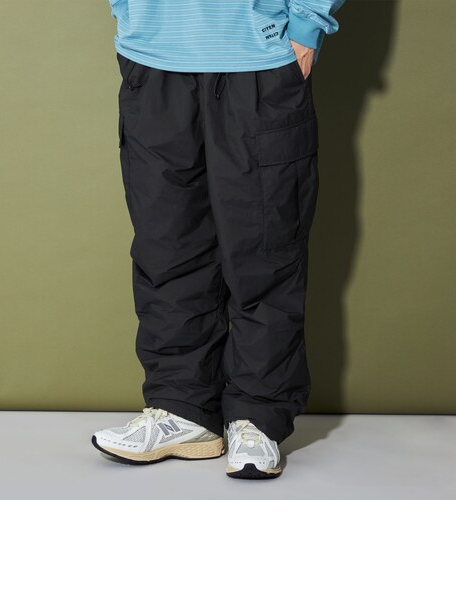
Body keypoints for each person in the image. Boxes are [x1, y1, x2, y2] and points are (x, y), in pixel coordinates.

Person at [92, 0, 346, 479]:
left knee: (264, 251)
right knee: (166, 247)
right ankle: (182, 409)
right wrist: (128, 13)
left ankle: (258, 416)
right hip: (153, 56)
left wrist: (307, 23)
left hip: (258, 56)